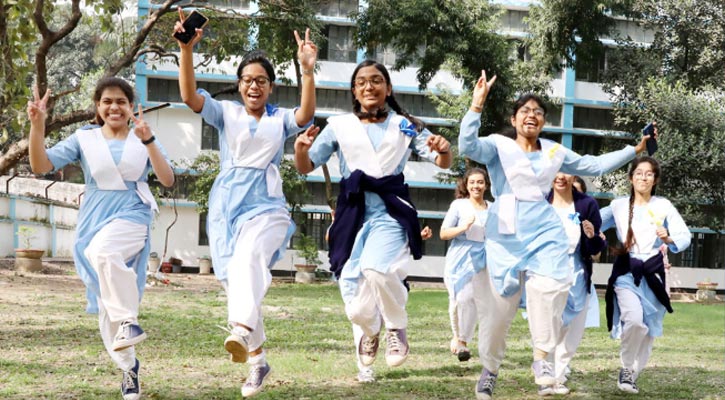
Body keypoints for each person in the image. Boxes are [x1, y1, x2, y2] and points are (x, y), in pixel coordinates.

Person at [458, 70, 653, 400]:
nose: (531, 115)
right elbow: (467, 145)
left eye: (538, 112)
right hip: (504, 233)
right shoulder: (497, 146)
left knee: (551, 288)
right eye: (525, 110)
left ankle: (542, 358)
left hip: (544, 230)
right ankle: (489, 369)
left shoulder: (554, 151)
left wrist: (634, 150)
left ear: (543, 121)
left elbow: (593, 165)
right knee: (497, 314)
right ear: (514, 119)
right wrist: (477, 104)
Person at [174, 9, 317, 397]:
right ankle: (257, 362)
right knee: (239, 281)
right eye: (248, 80)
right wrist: (186, 50)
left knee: (249, 259)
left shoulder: (279, 119)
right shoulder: (227, 114)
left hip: (266, 207)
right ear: (239, 85)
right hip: (226, 209)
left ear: (271, 87)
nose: (254, 86)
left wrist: (307, 71)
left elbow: (305, 114)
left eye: (262, 81)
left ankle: (239, 328)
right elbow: (189, 96)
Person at [294, 60, 452, 382]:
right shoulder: (339, 126)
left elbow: (442, 161)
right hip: (351, 215)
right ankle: (369, 332)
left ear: (388, 88)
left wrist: (444, 150)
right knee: (355, 302)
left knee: (377, 269)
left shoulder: (405, 125)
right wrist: (300, 149)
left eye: (377, 80)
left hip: (390, 212)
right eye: (362, 82)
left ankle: (396, 326)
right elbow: (305, 166)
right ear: (354, 90)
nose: (369, 86)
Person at [27, 78, 175, 400]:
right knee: (108, 301)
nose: (114, 107)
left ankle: (129, 321)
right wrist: (37, 126)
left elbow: (167, 179)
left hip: (133, 215)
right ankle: (129, 368)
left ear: (131, 106)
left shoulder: (143, 136)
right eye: (107, 101)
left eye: (121, 101)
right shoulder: (85, 138)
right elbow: (41, 165)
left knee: (104, 253)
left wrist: (149, 141)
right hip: (93, 220)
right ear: (97, 106)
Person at [601, 156, 690, 394]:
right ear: (631, 178)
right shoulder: (618, 206)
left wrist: (669, 238)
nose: (643, 177)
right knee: (633, 319)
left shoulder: (663, 206)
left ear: (655, 179)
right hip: (626, 271)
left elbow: (684, 235)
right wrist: (592, 232)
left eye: (649, 174)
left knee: (648, 329)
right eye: (639, 173)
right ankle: (626, 367)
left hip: (654, 273)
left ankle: (631, 375)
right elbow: (593, 221)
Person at [537, 173, 606, 396]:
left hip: (576, 270)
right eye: (556, 172)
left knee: (572, 327)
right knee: (548, 324)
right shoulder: (541, 201)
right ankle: (544, 375)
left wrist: (591, 236)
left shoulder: (587, 204)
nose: (560, 178)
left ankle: (558, 376)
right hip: (546, 269)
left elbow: (596, 247)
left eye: (566, 172)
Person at [439, 167, 492, 363]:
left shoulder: (493, 208)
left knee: (472, 300)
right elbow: (443, 233)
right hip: (460, 258)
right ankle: (458, 337)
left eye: (480, 182)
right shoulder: (459, 205)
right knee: (459, 298)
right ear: (466, 185)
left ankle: (462, 341)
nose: (476, 186)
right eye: (472, 182)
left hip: (485, 258)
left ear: (486, 185)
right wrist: (464, 227)